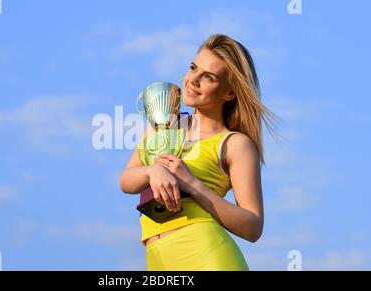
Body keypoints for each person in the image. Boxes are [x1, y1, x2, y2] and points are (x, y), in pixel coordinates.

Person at [119, 34, 279, 271]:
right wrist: (153, 172)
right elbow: (126, 181)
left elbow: (253, 227)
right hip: (158, 261)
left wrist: (192, 183)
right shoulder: (163, 125)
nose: (193, 80)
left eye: (208, 77)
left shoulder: (235, 144)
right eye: (193, 68)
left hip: (207, 256)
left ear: (229, 93)